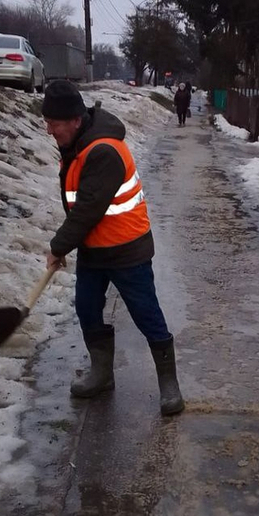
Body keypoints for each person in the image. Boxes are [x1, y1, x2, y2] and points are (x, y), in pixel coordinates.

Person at [42, 79, 184, 416]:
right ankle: (102, 374)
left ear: (76, 120)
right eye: (46, 123)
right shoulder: (78, 144)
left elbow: (89, 208)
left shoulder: (102, 151)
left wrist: (59, 246)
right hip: (94, 251)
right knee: (87, 309)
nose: (49, 131)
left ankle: (169, 384)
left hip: (126, 251)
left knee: (146, 314)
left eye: (54, 123)